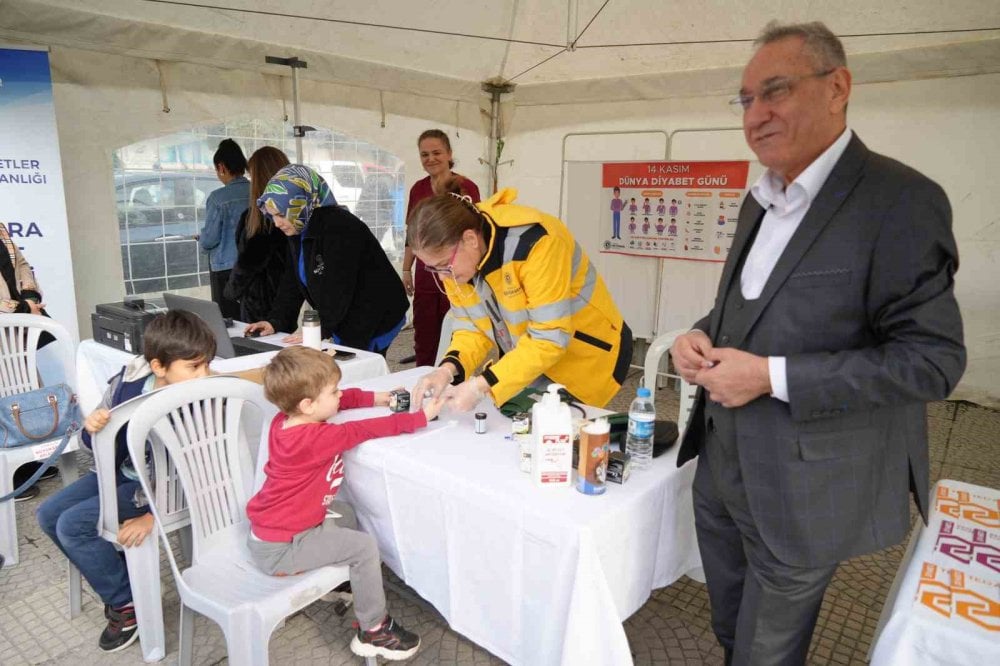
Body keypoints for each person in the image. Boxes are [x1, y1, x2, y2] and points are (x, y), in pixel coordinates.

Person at [669, 21, 966, 665]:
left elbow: (932, 361)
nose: (756, 114)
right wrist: (699, 333)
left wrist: (770, 377)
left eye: (776, 90)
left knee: (766, 652)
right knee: (731, 627)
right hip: (721, 467)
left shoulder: (900, 201)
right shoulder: (759, 200)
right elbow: (746, 309)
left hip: (806, 486)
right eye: (746, 99)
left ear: (838, 88)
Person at [246, 346, 445, 660]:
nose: (340, 395)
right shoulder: (318, 438)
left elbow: (345, 400)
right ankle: (374, 629)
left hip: (276, 531)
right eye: (333, 391)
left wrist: (380, 398)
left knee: (347, 512)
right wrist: (421, 417)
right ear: (308, 404)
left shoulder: (284, 420)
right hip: (282, 550)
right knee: (364, 547)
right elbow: (365, 429)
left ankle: (343, 585)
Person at [36, 311, 216, 653]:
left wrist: (154, 515)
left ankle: (126, 603)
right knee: (47, 515)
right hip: (120, 473)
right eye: (194, 366)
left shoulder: (197, 401)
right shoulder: (128, 382)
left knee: (73, 525)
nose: (204, 374)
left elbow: (202, 471)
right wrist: (93, 428)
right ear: (158, 366)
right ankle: (130, 583)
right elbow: (93, 446)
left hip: (160, 489)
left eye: (207, 364)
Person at [407, 183, 632, 413]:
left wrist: (480, 385)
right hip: (532, 357)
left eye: (444, 265)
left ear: (470, 239)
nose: (442, 276)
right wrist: (447, 369)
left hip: (587, 357)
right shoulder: (459, 263)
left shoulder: (537, 242)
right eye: (433, 268)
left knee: (563, 431)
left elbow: (549, 338)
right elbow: (472, 328)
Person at [244, 165, 408, 355]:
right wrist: (275, 321)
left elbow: (338, 287)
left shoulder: (339, 227)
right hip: (344, 312)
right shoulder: (299, 225)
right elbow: (292, 280)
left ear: (301, 203)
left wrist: (318, 329)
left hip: (374, 312)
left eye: (281, 215)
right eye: (272, 216)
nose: (277, 223)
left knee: (361, 364)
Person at [401, 129, 481, 367]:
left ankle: (453, 374)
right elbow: (412, 234)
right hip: (427, 272)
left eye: (436, 153)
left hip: (457, 269)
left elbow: (477, 233)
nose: (431, 159)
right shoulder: (418, 189)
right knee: (424, 332)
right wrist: (406, 269)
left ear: (449, 154)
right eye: (424, 154)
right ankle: (423, 374)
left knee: (457, 329)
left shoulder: (467, 186)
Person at [224, 146, 292, 323]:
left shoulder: (261, 219)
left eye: (252, 176)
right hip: (283, 298)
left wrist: (231, 291)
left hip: (260, 301)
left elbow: (248, 262)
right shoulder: (292, 214)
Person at [199, 138, 250, 320]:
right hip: (256, 268)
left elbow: (209, 239)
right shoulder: (258, 191)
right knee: (252, 320)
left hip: (226, 269)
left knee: (229, 322)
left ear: (221, 167)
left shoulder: (218, 198)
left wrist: (201, 239)